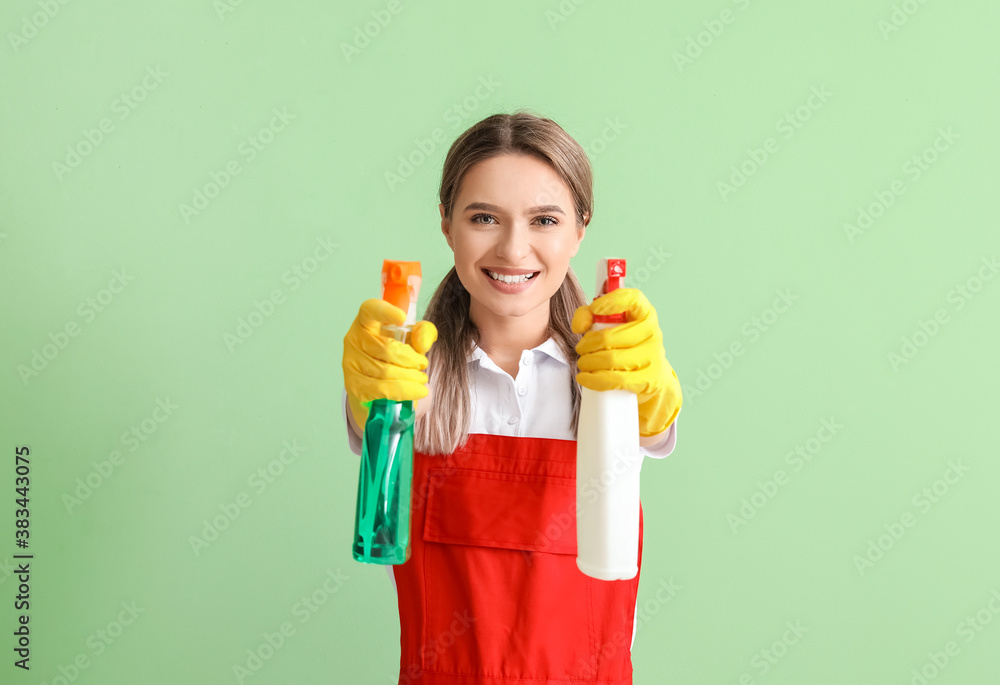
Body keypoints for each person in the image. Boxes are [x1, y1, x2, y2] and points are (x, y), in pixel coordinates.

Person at [341, 110, 683, 684]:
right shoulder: (407, 377)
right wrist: (368, 399)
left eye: (544, 219)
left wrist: (652, 394)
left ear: (581, 229)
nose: (513, 248)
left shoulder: (614, 377)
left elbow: (655, 430)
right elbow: (368, 432)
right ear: (447, 224)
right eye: (484, 217)